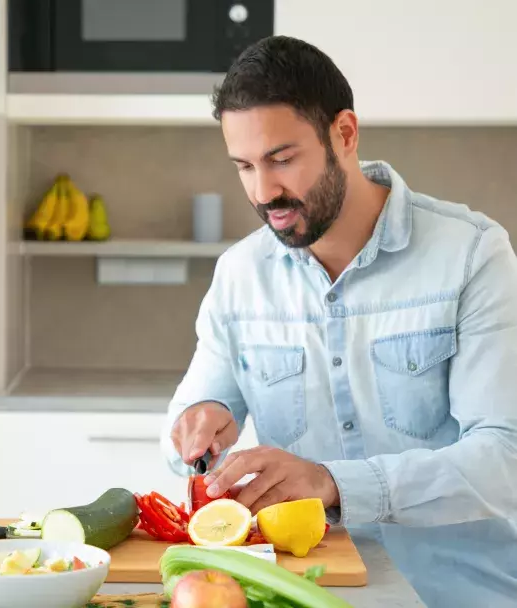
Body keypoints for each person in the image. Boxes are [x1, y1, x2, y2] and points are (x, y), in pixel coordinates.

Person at [161, 35, 517, 608]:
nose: (262, 191)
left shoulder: (471, 255)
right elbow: (187, 422)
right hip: (300, 595)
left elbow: (506, 458)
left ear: (344, 134)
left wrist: (332, 482)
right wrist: (201, 423)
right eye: (245, 166)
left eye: (281, 159)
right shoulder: (239, 276)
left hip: (459, 595)